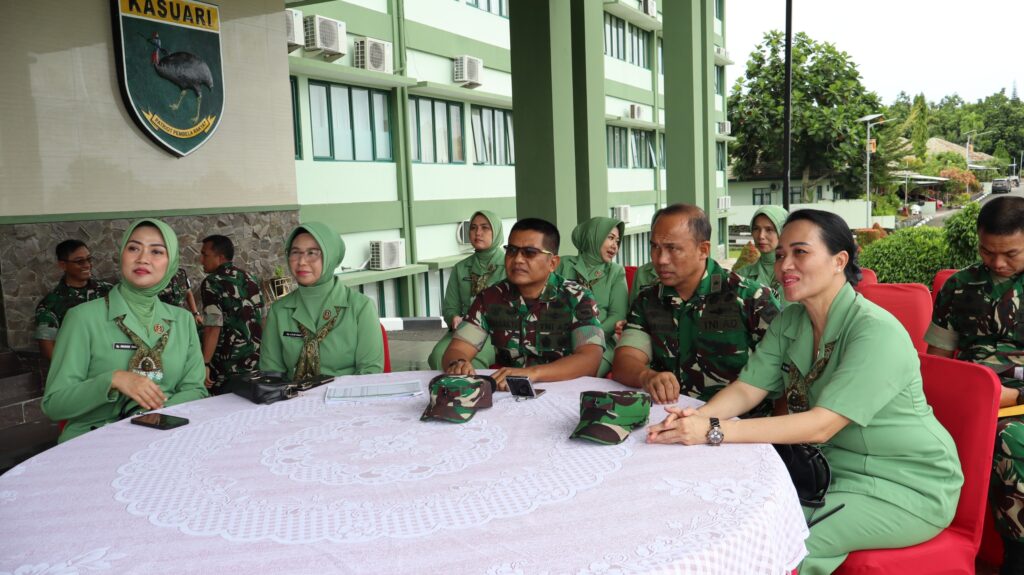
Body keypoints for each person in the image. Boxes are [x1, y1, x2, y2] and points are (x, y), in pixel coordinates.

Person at [647, 209, 962, 574]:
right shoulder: (791, 319)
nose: (784, 266)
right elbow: (749, 388)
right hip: (831, 472)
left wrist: (716, 431)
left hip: (905, 484)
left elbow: (821, 426)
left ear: (839, 261)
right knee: (724, 510)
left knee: (786, 538)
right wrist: (695, 418)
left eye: (801, 252)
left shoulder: (876, 331)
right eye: (780, 255)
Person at [925, 195, 1024, 573]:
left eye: (1010, 253)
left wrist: (1013, 395)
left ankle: (1017, 555)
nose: (997, 262)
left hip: (1015, 401)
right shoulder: (960, 286)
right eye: (987, 251)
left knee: (1011, 438)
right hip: (968, 397)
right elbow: (936, 360)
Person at [41, 219, 208, 442]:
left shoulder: (183, 320)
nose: (143, 258)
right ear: (122, 255)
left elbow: (195, 390)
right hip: (95, 442)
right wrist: (112, 380)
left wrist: (151, 415)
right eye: (133, 248)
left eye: (157, 251)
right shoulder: (82, 318)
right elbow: (55, 405)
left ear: (171, 263)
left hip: (164, 438)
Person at [612, 204, 781, 415]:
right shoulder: (648, 299)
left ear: (703, 250)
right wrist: (647, 376)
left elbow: (783, 378)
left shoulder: (751, 298)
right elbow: (625, 360)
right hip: (667, 419)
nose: (660, 259)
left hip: (737, 427)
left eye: (673, 248)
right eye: (655, 247)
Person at [441, 217, 604, 389]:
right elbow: (458, 348)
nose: (517, 259)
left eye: (529, 252)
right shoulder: (491, 298)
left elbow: (590, 359)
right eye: (511, 250)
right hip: (509, 394)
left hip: (563, 390)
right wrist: (459, 363)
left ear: (553, 263)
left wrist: (533, 373)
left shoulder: (577, 297)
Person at [260, 222, 384, 379]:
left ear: (330, 256)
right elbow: (271, 373)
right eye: (295, 252)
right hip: (292, 400)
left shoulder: (360, 307)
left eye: (312, 253)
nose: (302, 262)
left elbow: (369, 372)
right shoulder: (279, 311)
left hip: (346, 399)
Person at [427, 211, 506, 370]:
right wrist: (454, 318)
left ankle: (476, 394)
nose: (478, 233)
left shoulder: (508, 265)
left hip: (496, 332)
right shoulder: (461, 268)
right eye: (473, 228)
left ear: (496, 231)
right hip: (464, 329)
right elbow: (450, 307)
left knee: (472, 363)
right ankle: (445, 393)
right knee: (437, 357)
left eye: (485, 228)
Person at [556, 217, 628, 376]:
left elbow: (618, 314)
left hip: (600, 342)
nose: (615, 245)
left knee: (577, 379)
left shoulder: (615, 272)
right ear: (592, 237)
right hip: (560, 338)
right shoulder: (564, 264)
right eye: (610, 238)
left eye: (617, 240)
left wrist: (587, 337)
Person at [198, 234, 263, 393]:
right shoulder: (250, 277)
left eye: (205, 255)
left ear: (220, 257)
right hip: (254, 362)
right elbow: (262, 317)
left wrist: (205, 364)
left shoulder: (212, 282)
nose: (201, 260)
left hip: (225, 367)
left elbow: (213, 326)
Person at [34, 239, 113, 361]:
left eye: (89, 259)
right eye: (79, 261)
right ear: (63, 265)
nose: (87, 265)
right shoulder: (50, 304)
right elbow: (48, 350)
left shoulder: (108, 291)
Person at [735, 205, 788, 305]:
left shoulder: (799, 273)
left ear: (783, 231)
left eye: (769, 230)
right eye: (756, 229)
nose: (761, 236)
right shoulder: (742, 275)